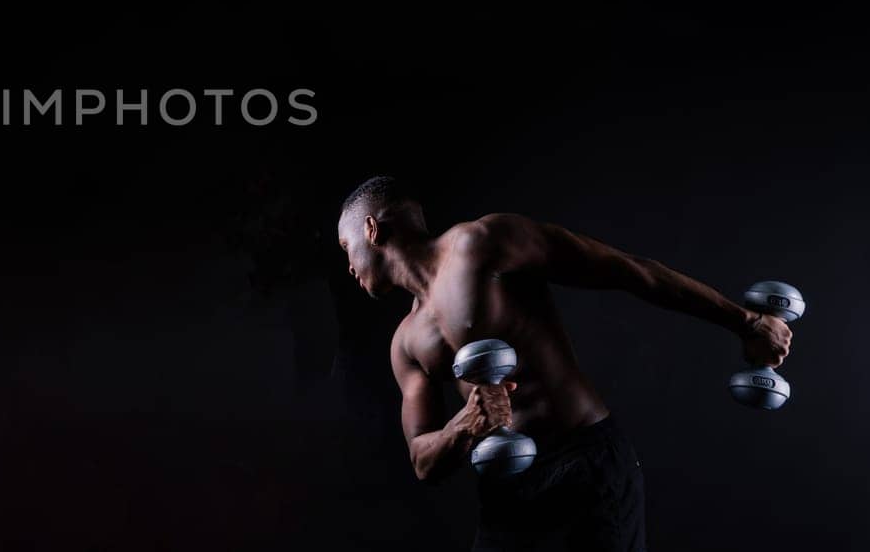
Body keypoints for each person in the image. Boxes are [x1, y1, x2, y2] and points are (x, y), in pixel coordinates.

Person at [336, 176, 793, 551]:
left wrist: (746, 321)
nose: (349, 268)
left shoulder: (482, 244)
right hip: (508, 497)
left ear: (373, 230)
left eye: (346, 248)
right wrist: (465, 426)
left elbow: (628, 270)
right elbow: (421, 460)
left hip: (586, 468)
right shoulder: (406, 344)